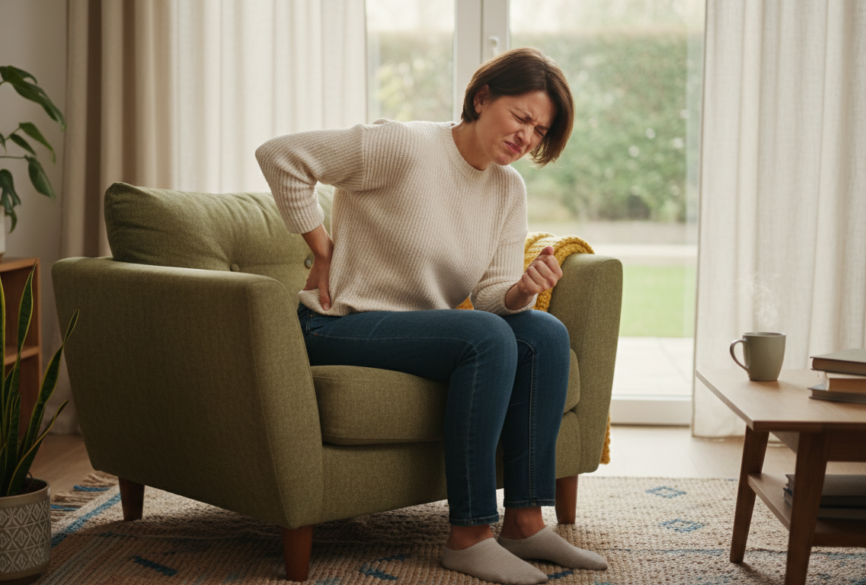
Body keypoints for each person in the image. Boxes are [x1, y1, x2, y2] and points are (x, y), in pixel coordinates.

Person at [255, 47, 607, 585]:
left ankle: (525, 521)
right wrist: (322, 249)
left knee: (543, 333)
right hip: (339, 323)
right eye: (521, 117)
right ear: (482, 97)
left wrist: (520, 291)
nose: (527, 137)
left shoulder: (508, 189)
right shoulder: (402, 144)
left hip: (425, 332)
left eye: (539, 131)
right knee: (485, 337)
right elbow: (282, 155)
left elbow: (490, 295)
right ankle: (469, 536)